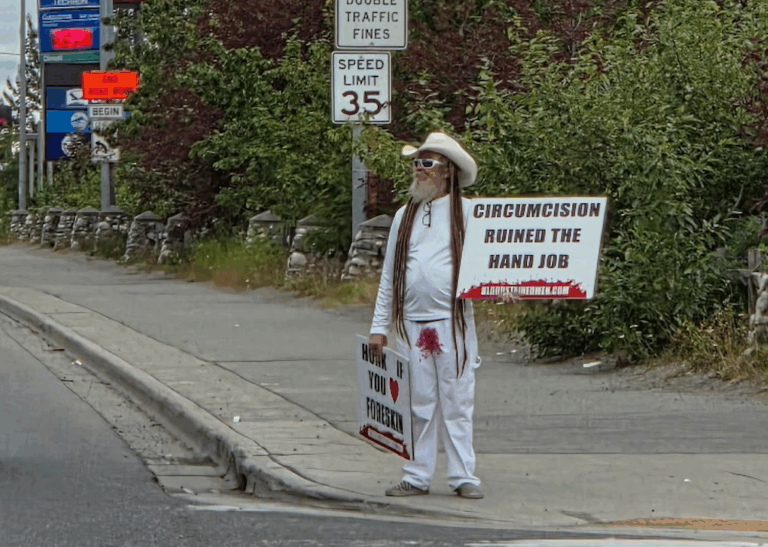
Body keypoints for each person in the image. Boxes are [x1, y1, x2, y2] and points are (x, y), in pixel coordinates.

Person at [369, 132, 484, 499]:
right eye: (417, 163)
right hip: (412, 323)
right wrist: (378, 327)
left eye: (427, 163)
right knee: (418, 401)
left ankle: (463, 474)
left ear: (447, 171)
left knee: (457, 399)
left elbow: (487, 264)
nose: (419, 170)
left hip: (452, 321)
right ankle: (417, 474)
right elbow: (390, 273)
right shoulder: (405, 215)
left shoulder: (466, 213)